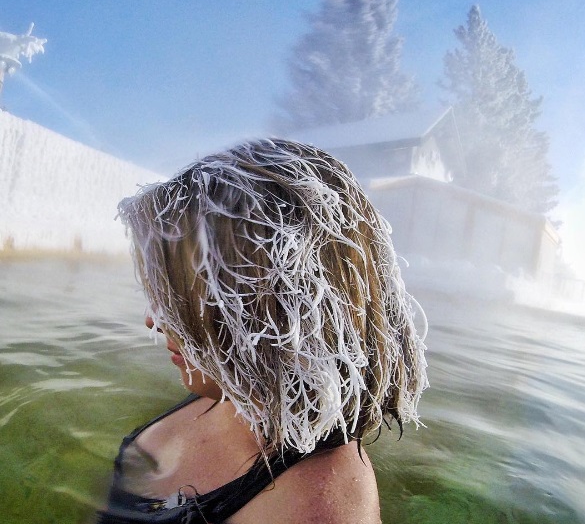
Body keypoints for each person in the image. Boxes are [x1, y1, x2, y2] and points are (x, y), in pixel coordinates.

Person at [97, 138, 428, 524]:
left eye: (179, 297)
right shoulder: (233, 394)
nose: (154, 321)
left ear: (275, 307)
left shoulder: (322, 507)